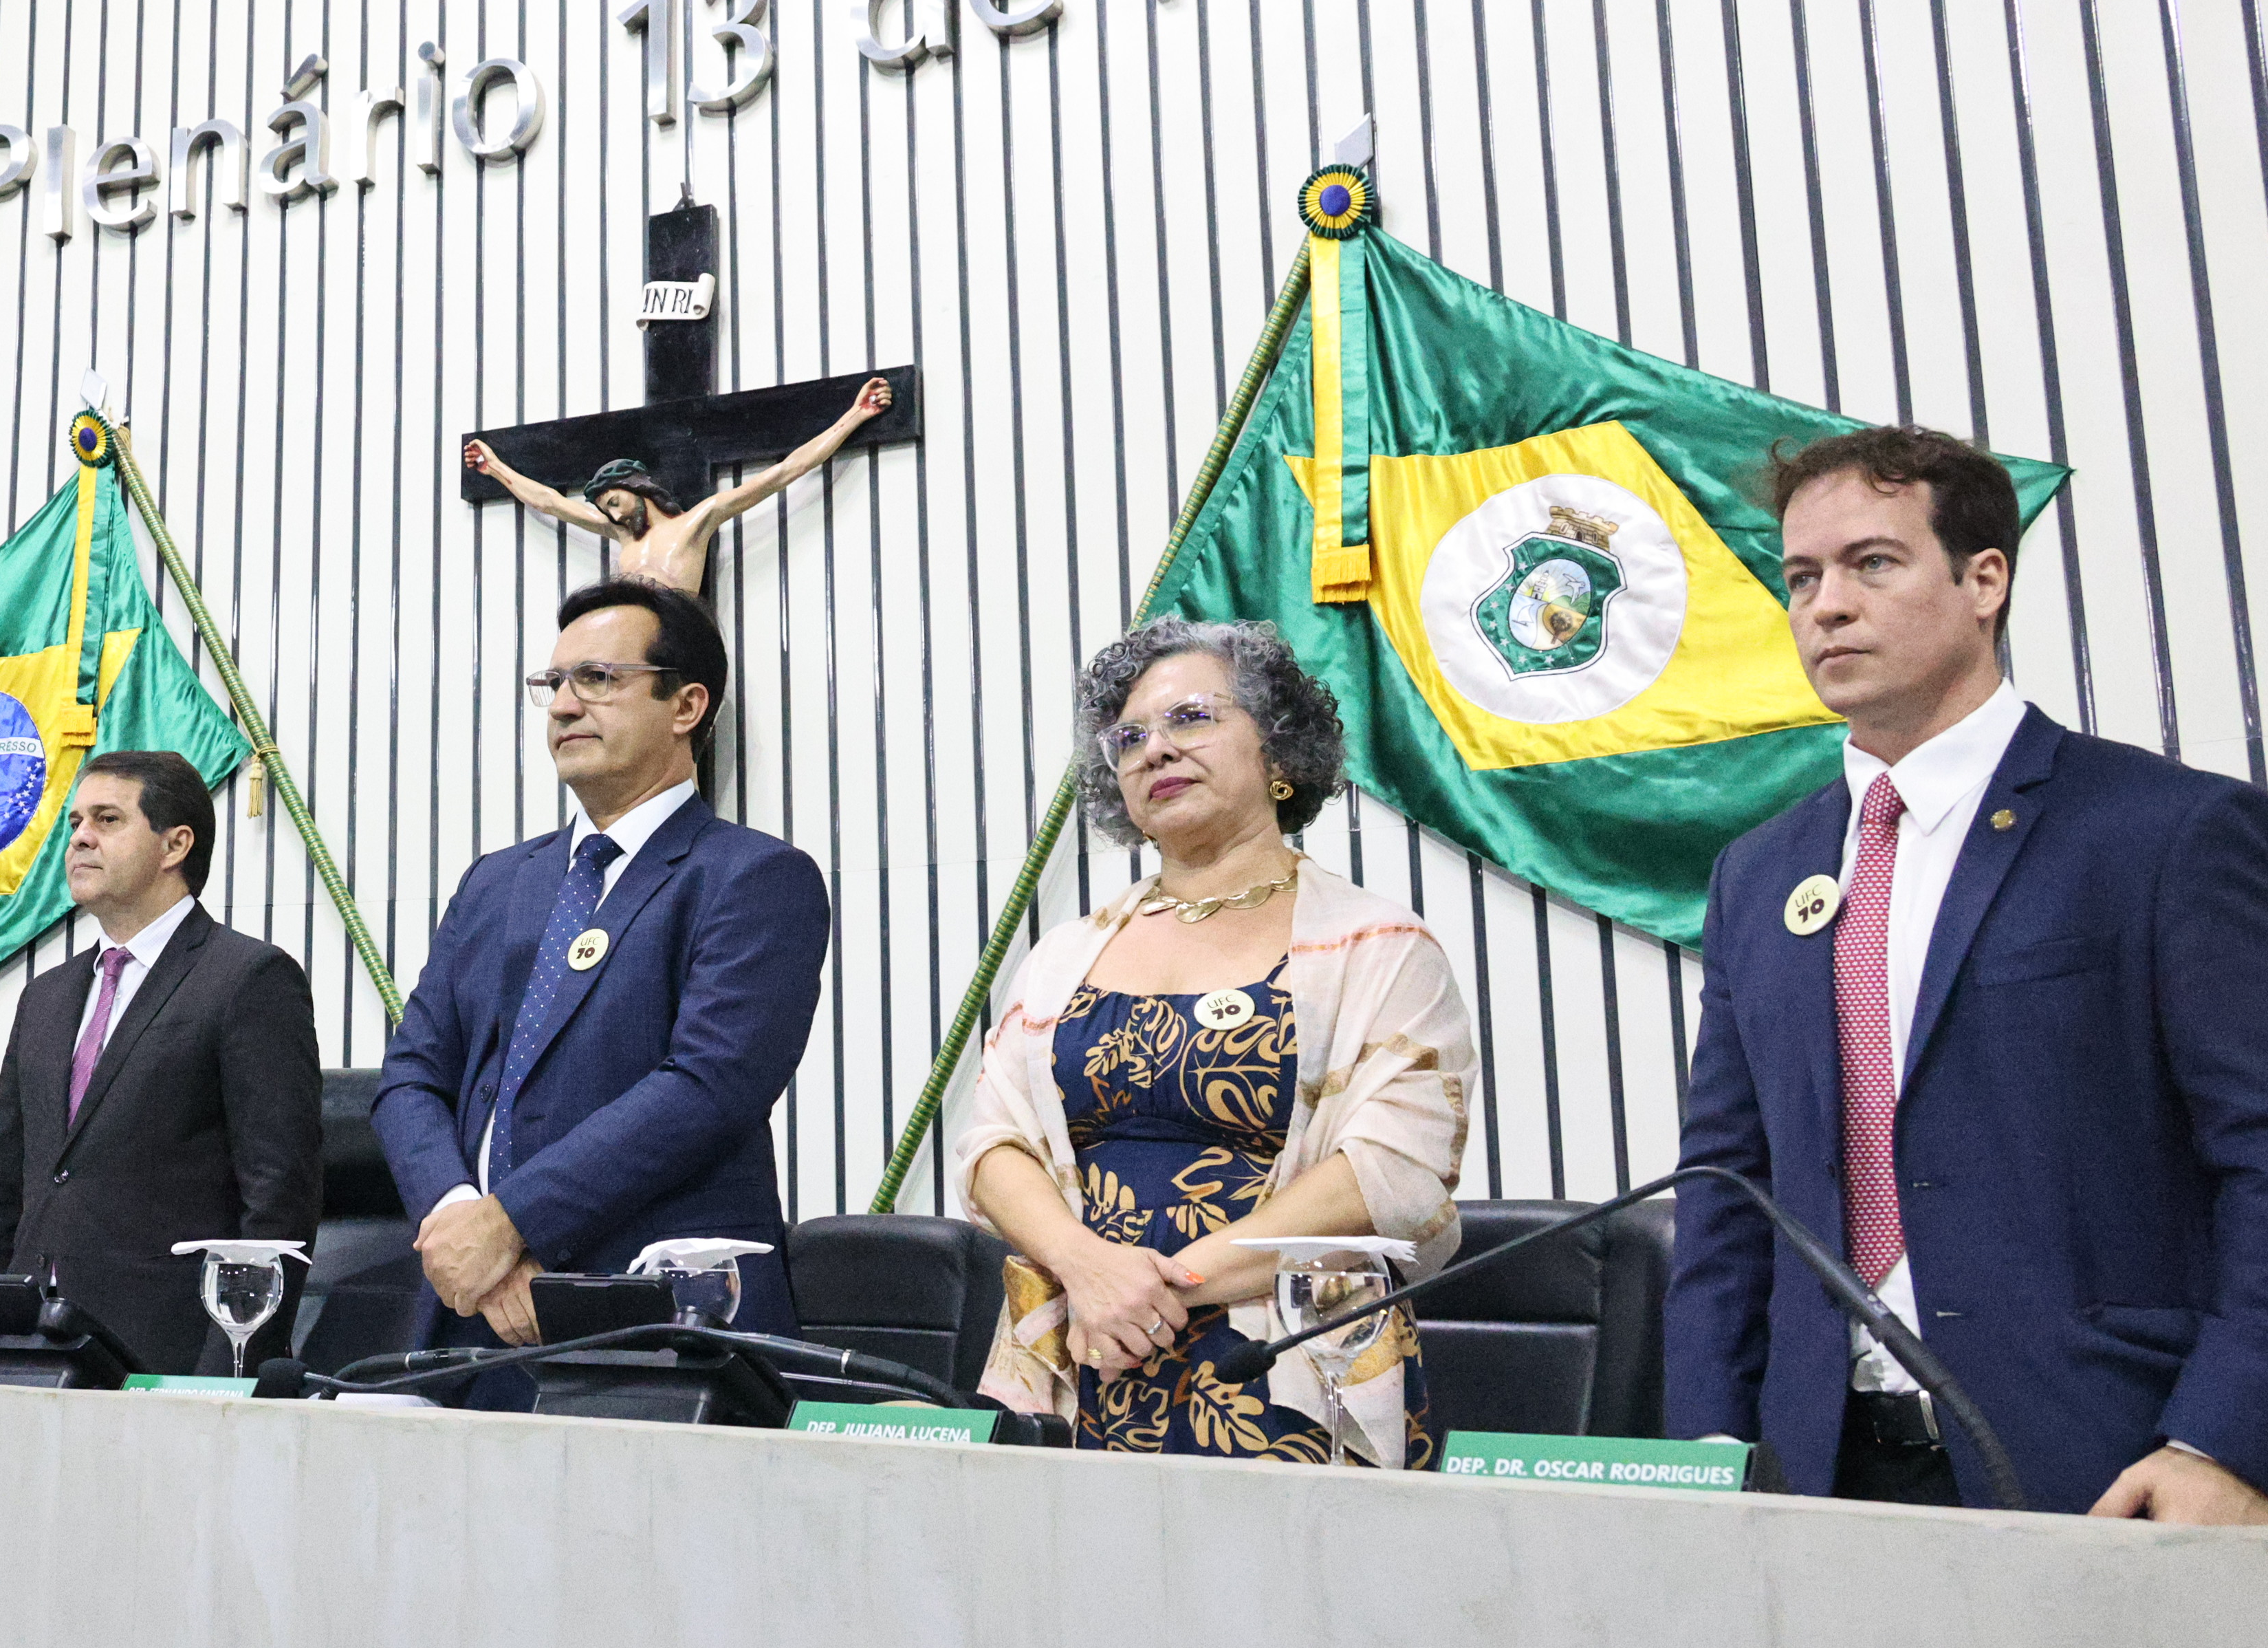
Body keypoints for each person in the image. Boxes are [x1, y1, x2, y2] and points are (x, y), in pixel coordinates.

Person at [1667, 426, 2268, 1519]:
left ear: (1984, 578)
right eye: (1801, 577)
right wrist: (1705, 1449)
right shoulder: (1758, 877)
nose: (1826, 606)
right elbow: (1727, 1193)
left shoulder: (2168, 834)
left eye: (1873, 563)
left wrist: (2230, 1443)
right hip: (1818, 1480)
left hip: (2116, 1462)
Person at [954, 623, 1472, 1463]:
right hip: (1082, 1362)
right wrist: (1088, 1271)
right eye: (1129, 736)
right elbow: (991, 1144)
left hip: (1287, 1371)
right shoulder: (1060, 956)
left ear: (1278, 748)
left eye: (1191, 718)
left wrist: (1155, 1288)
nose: (1155, 747)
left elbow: (1393, 1169)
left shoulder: (1380, 946)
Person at [371, 579, 830, 1385]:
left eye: (599, 679)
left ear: (686, 704)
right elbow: (413, 1073)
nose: (563, 706)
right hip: (472, 1312)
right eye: (553, 684)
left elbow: (708, 1085)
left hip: (660, 1314)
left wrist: (513, 1222)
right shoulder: (495, 881)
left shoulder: (756, 877)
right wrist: (460, 1222)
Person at [0, 750, 325, 1374]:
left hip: (171, 1355)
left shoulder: (249, 979)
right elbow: (1, 1191)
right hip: (25, 1351)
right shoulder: (46, 996)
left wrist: (228, 1374)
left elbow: (277, 1202)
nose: (79, 838)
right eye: (75, 822)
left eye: (107, 820)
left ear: (174, 844)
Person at [463, 376, 895, 594]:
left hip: (676, 638)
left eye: (615, 501)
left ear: (639, 487)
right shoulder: (618, 532)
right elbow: (551, 502)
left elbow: (783, 472)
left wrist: (854, 416)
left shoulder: (697, 522)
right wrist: (496, 469)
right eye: (606, 510)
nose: (613, 515)